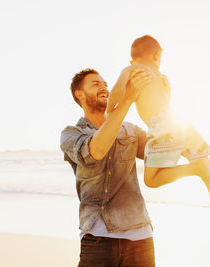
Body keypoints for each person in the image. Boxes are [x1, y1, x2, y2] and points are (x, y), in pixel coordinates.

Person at [107, 34, 210, 228]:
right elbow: (163, 102)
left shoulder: (132, 69)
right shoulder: (161, 77)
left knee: (152, 180)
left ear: (132, 59)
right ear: (157, 56)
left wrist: (109, 108)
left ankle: (194, 169)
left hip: (163, 128)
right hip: (181, 123)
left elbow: (116, 91)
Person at [60, 68, 156, 266]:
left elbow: (162, 152)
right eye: (96, 84)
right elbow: (96, 150)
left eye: (105, 84)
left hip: (140, 237)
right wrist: (127, 100)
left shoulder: (130, 130)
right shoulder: (71, 134)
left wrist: (163, 101)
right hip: (97, 239)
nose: (104, 87)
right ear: (79, 94)